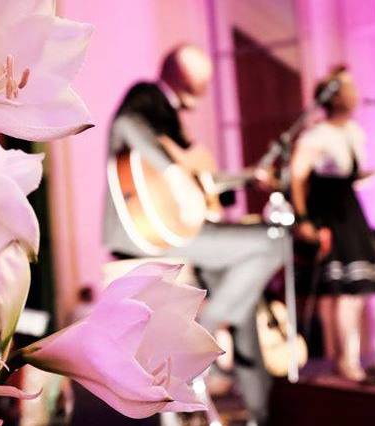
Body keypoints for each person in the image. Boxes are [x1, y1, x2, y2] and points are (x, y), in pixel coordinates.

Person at [103, 44, 283, 426]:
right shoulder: (146, 97)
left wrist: (248, 176)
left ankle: (257, 410)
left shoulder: (172, 121)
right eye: (200, 79)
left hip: (177, 233)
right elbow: (125, 127)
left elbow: (198, 180)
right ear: (181, 77)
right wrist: (171, 173)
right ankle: (203, 338)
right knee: (275, 239)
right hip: (150, 234)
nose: (204, 87)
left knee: (244, 294)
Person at [291, 65, 375, 381]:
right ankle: (344, 359)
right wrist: (304, 219)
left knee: (354, 291)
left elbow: (351, 175)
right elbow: (298, 177)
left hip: (349, 211)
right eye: (349, 89)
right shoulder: (317, 136)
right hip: (330, 213)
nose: (356, 95)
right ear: (335, 98)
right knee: (342, 292)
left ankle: (352, 357)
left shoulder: (353, 133)